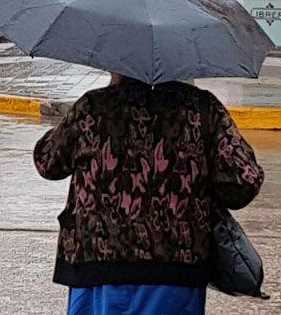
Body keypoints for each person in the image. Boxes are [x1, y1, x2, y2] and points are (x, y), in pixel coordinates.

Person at [33, 73, 264, 315]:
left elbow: (47, 162)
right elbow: (243, 184)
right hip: (176, 271)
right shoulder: (203, 109)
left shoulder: (92, 107)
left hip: (96, 267)